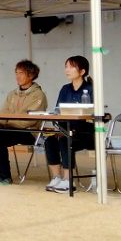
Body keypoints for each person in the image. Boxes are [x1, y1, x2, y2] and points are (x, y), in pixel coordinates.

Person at [0, 60, 48, 185]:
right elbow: (4, 112)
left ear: (31, 75)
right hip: (9, 129)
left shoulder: (38, 95)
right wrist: (0, 124)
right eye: (16, 73)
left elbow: (30, 119)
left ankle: (5, 176)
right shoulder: (12, 94)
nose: (17, 76)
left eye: (21, 73)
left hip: (29, 132)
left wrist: (8, 124)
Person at [43, 55, 95, 194]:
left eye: (71, 67)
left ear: (82, 71)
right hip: (66, 128)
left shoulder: (90, 89)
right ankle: (56, 177)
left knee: (65, 139)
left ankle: (68, 180)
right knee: (50, 140)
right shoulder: (65, 89)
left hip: (86, 133)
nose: (67, 70)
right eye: (66, 66)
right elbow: (58, 110)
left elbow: (92, 114)